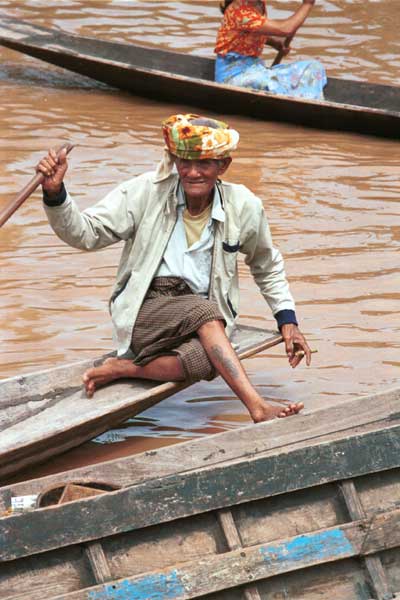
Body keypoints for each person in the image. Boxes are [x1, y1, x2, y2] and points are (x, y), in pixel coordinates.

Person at [36, 113, 311, 423]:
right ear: (174, 161)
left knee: (205, 360)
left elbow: (266, 265)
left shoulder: (244, 206)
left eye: (204, 163)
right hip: (148, 308)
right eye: (184, 162)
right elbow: (85, 234)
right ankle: (257, 407)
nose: (192, 172)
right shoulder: (145, 192)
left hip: (203, 318)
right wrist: (55, 194)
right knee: (206, 315)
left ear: (223, 166)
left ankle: (125, 369)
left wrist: (287, 319)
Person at [215, 0, 327, 100]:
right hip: (233, 77)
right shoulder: (239, 12)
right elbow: (286, 29)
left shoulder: (258, 3)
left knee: (314, 67)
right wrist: (307, 4)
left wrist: (276, 44)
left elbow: (252, 32)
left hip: (255, 69)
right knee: (270, 82)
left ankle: (307, 100)